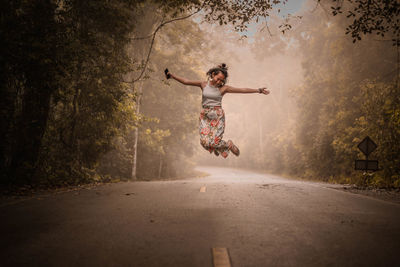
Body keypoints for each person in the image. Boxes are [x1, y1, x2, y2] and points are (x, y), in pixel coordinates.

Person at [165, 63, 270, 158]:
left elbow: (242, 90)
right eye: (218, 78)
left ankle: (227, 145)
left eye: (222, 80)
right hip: (205, 116)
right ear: (213, 75)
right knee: (204, 142)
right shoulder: (203, 84)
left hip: (217, 115)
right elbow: (186, 81)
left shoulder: (224, 89)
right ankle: (220, 148)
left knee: (214, 142)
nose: (219, 82)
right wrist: (172, 76)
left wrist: (258, 90)